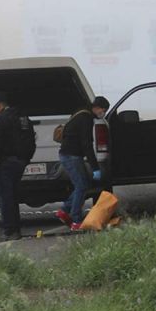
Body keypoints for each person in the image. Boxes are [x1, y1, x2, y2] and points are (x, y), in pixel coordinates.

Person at [0, 92, 35, 241]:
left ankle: (10, 230)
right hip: (19, 163)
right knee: (13, 196)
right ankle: (15, 229)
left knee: (5, 198)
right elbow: (31, 141)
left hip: (4, 163)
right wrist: (26, 159)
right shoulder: (23, 119)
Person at [55, 96, 109, 231]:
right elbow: (87, 144)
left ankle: (65, 209)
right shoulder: (86, 119)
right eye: (103, 110)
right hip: (71, 156)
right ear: (97, 108)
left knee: (83, 185)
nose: (103, 113)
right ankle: (76, 219)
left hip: (68, 154)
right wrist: (95, 167)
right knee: (81, 186)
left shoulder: (80, 112)